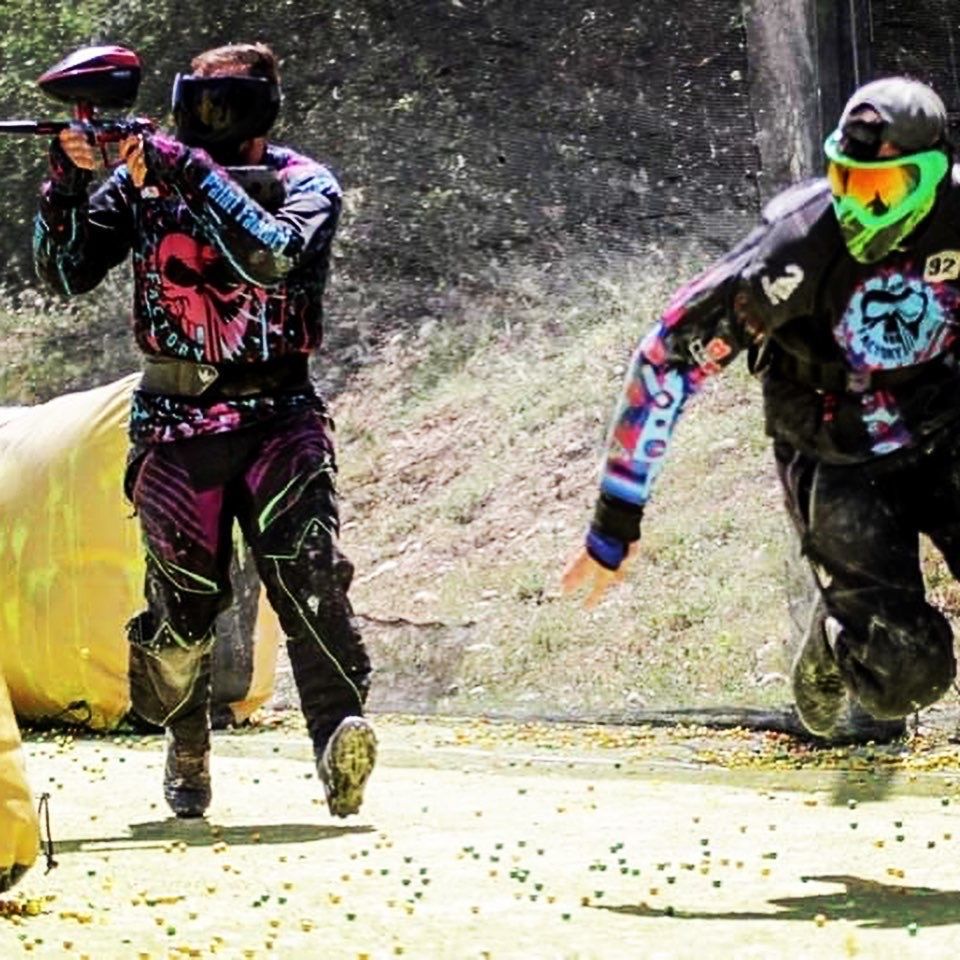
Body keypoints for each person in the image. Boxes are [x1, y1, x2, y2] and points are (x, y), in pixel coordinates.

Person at [33, 42, 377, 818]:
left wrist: (182, 168)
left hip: (280, 413)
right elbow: (61, 273)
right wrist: (68, 176)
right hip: (175, 423)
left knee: (310, 574)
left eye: (225, 103)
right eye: (200, 101)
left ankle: (337, 737)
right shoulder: (142, 183)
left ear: (261, 107)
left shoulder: (303, 182)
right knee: (185, 603)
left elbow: (273, 256)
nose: (209, 118)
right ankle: (187, 743)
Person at [562, 75, 960, 742]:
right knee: (906, 676)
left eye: (879, 190)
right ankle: (839, 642)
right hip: (835, 453)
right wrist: (614, 522)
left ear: (929, 178)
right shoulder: (795, 248)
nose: (857, 207)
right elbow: (668, 361)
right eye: (845, 180)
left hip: (943, 424)